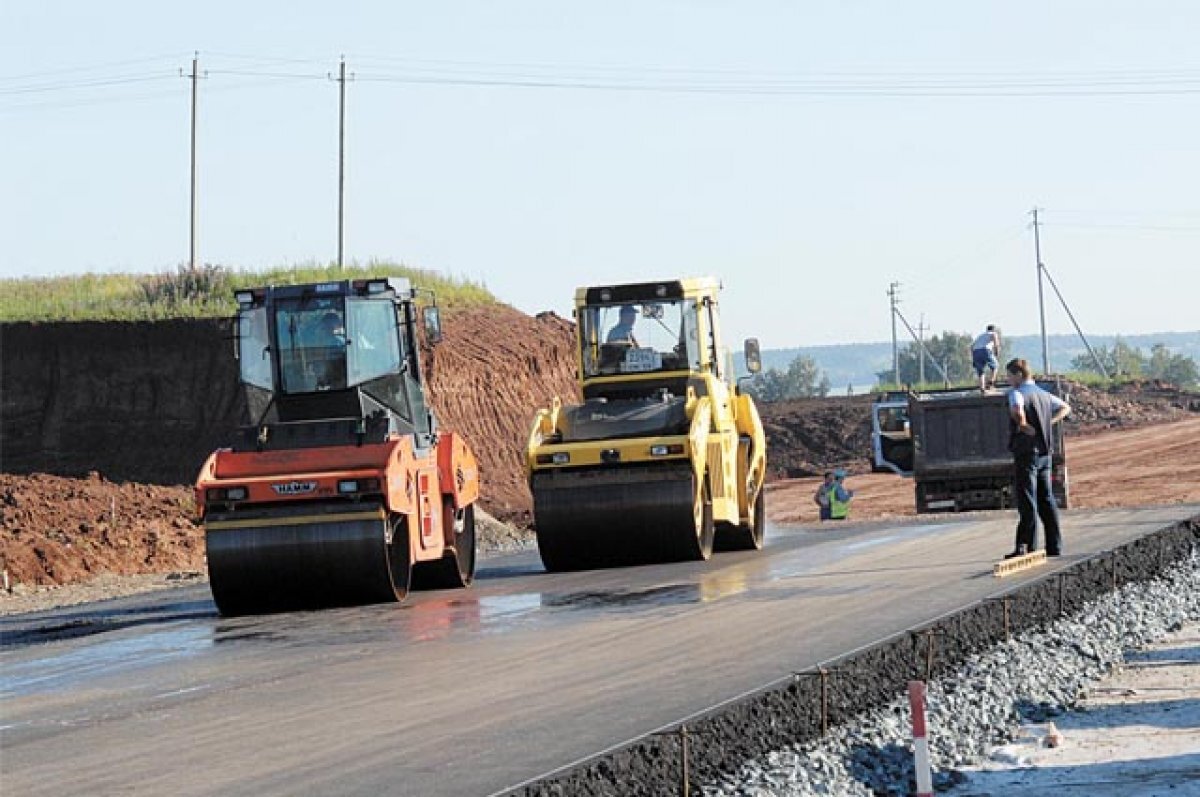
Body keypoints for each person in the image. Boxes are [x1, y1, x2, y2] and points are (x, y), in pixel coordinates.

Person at [1004, 358, 1071, 559]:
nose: (1008, 380)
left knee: (1027, 498)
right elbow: (1065, 408)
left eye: (1009, 375)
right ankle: (1054, 545)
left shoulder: (1017, 393)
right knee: (1046, 499)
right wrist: (1048, 421)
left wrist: (1023, 425)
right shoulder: (1043, 394)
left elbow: (1016, 410)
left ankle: (1026, 546)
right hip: (1045, 453)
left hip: (1026, 452)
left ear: (1018, 374)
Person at [971, 325, 1002, 391]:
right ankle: (991, 383)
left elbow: (972, 346)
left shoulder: (981, 336)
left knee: (980, 371)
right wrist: (997, 352)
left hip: (975, 351)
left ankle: (982, 388)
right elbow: (996, 343)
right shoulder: (993, 333)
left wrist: (973, 358)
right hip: (985, 350)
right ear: (993, 329)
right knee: (995, 366)